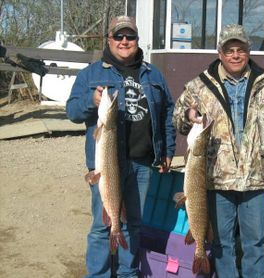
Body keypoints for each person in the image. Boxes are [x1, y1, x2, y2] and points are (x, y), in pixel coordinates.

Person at [173, 24, 264, 277]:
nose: (235, 55)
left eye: (240, 49)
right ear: (219, 53)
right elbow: (178, 119)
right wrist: (188, 115)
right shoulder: (199, 86)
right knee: (222, 244)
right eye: (229, 50)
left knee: (255, 244)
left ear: (248, 51)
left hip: (254, 178)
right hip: (217, 179)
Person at [66, 15, 176, 278]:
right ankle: (99, 275)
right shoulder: (91, 74)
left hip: (142, 162)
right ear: (109, 39)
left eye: (130, 36)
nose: (124, 41)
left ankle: (128, 273)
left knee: (133, 224)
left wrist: (168, 150)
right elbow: (72, 111)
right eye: (119, 36)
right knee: (101, 226)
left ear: (137, 41)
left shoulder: (153, 73)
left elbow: (167, 114)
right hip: (106, 165)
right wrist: (92, 101)